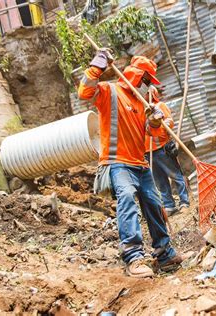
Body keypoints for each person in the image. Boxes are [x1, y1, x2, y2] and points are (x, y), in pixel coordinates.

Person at [78, 49, 182, 278]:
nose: (149, 85)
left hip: (140, 163)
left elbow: (151, 133)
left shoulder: (143, 103)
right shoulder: (109, 91)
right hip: (118, 162)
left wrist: (154, 122)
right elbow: (84, 91)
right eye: (147, 80)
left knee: (155, 205)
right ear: (138, 76)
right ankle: (134, 258)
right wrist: (98, 65)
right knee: (127, 200)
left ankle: (164, 255)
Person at [144, 87, 190, 216]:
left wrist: (159, 122)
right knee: (160, 181)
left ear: (151, 93)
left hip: (162, 148)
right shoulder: (139, 111)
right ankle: (169, 206)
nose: (144, 95)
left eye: (146, 92)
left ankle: (184, 202)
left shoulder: (159, 106)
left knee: (176, 175)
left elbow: (170, 122)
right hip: (148, 152)